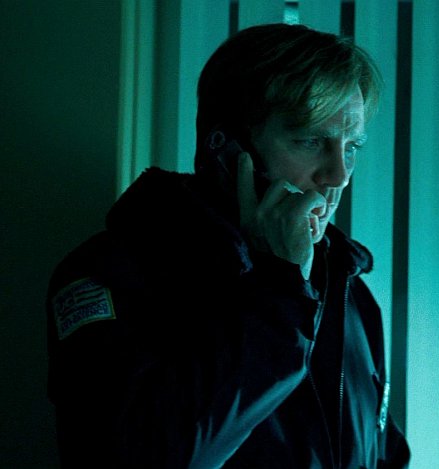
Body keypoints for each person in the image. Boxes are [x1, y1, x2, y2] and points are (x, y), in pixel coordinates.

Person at [46, 23, 409, 468]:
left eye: (351, 147)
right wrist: (280, 292)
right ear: (226, 149)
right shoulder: (111, 275)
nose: (338, 175)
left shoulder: (347, 289)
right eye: (310, 141)